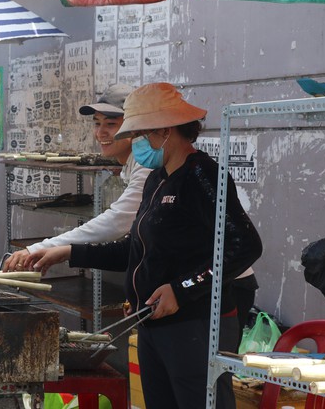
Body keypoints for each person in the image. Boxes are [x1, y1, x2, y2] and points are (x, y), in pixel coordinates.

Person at [25, 83, 263, 409]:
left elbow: (244, 245)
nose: (134, 143)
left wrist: (180, 290)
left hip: (196, 325)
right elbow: (132, 250)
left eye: (140, 134)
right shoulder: (156, 178)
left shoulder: (202, 175)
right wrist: (67, 253)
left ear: (165, 130)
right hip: (151, 322)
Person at [2, 83, 151, 272]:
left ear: (134, 126)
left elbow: (117, 221)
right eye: (97, 123)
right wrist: (63, 251)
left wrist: (46, 247)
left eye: (111, 124)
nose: (100, 132)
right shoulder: (133, 163)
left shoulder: (147, 165)